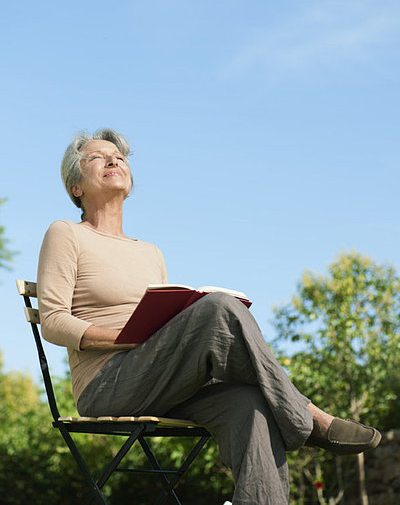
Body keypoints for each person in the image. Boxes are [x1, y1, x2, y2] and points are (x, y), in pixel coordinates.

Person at [37, 128, 381, 505]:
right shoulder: (66, 234)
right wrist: (122, 337)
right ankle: (308, 416)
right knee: (218, 306)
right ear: (75, 187)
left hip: (164, 379)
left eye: (118, 157)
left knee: (250, 404)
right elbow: (53, 321)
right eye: (96, 157)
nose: (113, 160)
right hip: (108, 384)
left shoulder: (150, 252)